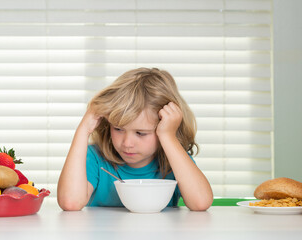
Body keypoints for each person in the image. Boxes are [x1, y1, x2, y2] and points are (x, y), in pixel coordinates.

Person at [57, 67, 213, 211]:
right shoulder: (95, 158)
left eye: (141, 133)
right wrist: (83, 130)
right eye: (118, 129)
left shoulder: (174, 161)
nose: (127, 143)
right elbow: (70, 202)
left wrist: (168, 136)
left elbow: (200, 203)